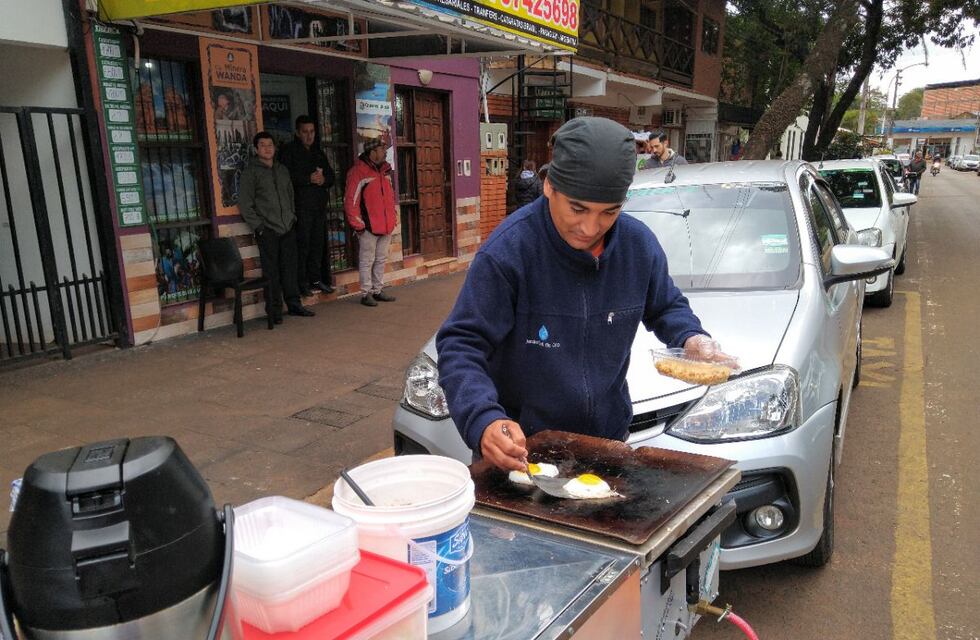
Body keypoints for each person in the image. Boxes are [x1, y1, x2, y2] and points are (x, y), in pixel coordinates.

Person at [435, 117, 732, 471]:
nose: (590, 227)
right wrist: (483, 419)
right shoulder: (508, 252)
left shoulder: (639, 247)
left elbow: (667, 307)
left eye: (609, 212)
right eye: (577, 209)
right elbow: (461, 344)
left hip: (606, 446)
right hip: (522, 452)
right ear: (549, 186)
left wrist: (691, 337)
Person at [239, 131, 315, 322]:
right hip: (268, 230)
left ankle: (294, 304)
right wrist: (260, 227)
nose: (267, 148)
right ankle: (274, 310)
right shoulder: (251, 172)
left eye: (270, 145)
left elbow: (290, 195)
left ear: (275, 148)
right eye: (262, 145)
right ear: (256, 149)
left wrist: (292, 217)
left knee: (290, 269)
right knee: (271, 272)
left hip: (287, 227)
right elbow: (245, 204)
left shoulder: (282, 170)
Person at [278, 115, 336, 296]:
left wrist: (323, 180)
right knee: (302, 246)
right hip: (301, 207)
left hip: (319, 207)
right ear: (297, 132)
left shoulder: (318, 152)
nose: (309, 135)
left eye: (312, 132)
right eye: (305, 132)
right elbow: (285, 178)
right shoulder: (288, 152)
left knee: (317, 245)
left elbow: (332, 177)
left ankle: (316, 279)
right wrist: (308, 178)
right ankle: (301, 282)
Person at [345, 137, 398, 307]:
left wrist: (393, 217)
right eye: (382, 149)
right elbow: (351, 201)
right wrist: (358, 225)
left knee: (381, 259)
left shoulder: (385, 171)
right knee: (367, 260)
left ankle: (377, 290)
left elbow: (390, 197)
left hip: (385, 225)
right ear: (372, 151)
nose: (385, 152)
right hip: (368, 226)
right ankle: (366, 293)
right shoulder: (358, 172)